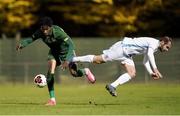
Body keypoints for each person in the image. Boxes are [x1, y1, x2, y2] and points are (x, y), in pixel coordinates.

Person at [16, 17, 95, 106]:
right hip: (54, 52)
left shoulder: (57, 32)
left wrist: (67, 60)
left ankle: (86, 71)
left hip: (67, 51)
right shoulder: (40, 32)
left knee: (74, 73)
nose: (45, 31)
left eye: (46, 29)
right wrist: (22, 44)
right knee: (50, 71)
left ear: (50, 27)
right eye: (43, 28)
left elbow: (71, 45)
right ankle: (52, 100)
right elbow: (31, 38)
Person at [72, 36, 172, 97]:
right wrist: (155, 69)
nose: (167, 49)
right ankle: (73, 59)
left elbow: (145, 61)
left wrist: (151, 73)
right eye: (167, 47)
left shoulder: (154, 47)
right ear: (162, 42)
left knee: (132, 73)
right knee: (98, 60)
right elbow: (149, 56)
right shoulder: (153, 43)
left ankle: (112, 86)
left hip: (127, 55)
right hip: (122, 48)